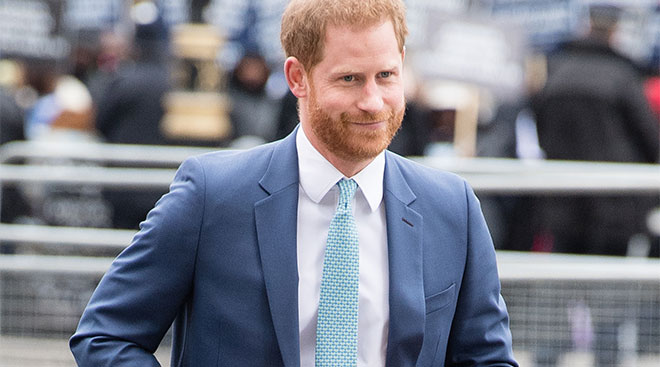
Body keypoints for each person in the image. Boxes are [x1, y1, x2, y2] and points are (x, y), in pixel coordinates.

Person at [70, 0, 518, 366]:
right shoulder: (213, 195)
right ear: (297, 78)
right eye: (349, 79)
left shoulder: (451, 206)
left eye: (386, 76)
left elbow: (486, 358)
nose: (372, 101)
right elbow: (105, 337)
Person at [532, 4, 660, 257]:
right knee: (607, 286)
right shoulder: (623, 76)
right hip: (615, 205)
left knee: (561, 284)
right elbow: (651, 141)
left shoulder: (556, 74)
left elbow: (540, 131)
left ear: (587, 26)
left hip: (563, 202)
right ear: (615, 32)